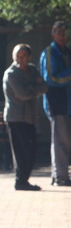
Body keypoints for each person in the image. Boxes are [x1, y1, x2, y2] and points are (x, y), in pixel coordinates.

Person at [3, 44, 48, 191]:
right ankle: (20, 181)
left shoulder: (33, 70)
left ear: (29, 57)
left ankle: (24, 180)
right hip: (16, 118)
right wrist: (34, 88)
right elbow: (22, 94)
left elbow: (44, 87)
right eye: (17, 56)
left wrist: (30, 89)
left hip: (30, 117)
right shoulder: (11, 74)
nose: (20, 59)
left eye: (23, 56)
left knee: (32, 150)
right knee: (21, 152)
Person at [40, 20, 71, 186]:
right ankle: (60, 176)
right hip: (57, 103)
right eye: (58, 32)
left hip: (68, 104)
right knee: (60, 141)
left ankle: (59, 174)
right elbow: (50, 78)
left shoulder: (67, 52)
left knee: (66, 141)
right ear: (53, 33)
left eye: (63, 32)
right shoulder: (50, 52)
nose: (61, 35)